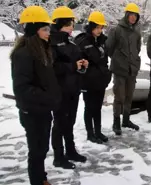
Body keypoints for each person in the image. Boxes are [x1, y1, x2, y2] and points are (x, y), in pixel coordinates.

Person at [11, 6, 61, 185]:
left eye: (48, 28)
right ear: (34, 31)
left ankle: (42, 178)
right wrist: (47, 96)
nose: (49, 32)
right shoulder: (23, 54)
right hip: (31, 112)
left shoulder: (42, 50)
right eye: (45, 29)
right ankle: (37, 180)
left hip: (43, 109)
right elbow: (22, 88)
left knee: (42, 148)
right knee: (36, 150)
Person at [50, 6, 87, 169]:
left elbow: (78, 61)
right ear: (60, 24)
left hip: (73, 89)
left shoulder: (70, 43)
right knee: (59, 124)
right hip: (59, 91)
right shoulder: (50, 44)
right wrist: (73, 65)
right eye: (70, 24)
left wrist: (83, 65)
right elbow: (53, 68)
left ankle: (70, 151)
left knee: (69, 122)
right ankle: (58, 156)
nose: (72, 27)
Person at [74, 11, 111, 143]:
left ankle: (98, 131)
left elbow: (105, 59)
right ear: (91, 26)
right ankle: (90, 133)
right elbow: (78, 62)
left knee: (98, 107)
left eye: (101, 27)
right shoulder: (82, 41)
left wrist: (107, 75)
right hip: (88, 81)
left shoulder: (103, 41)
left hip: (100, 80)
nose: (99, 30)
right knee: (89, 107)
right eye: (97, 27)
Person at [106, 3, 141, 135]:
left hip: (132, 69)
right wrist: (118, 59)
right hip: (120, 69)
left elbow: (137, 49)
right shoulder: (116, 30)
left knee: (129, 96)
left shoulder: (136, 32)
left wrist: (135, 62)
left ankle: (126, 120)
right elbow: (109, 48)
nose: (133, 18)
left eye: (135, 16)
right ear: (126, 15)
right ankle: (116, 122)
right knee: (119, 97)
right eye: (131, 15)